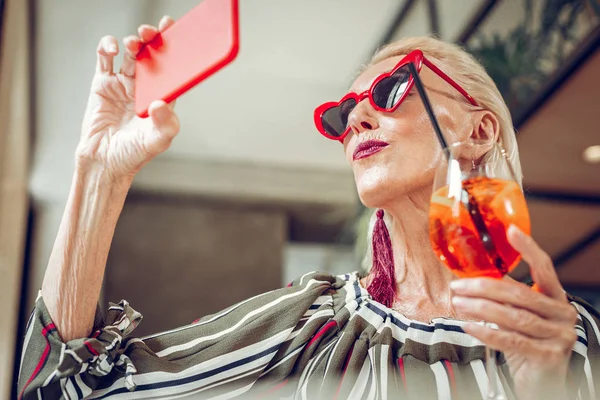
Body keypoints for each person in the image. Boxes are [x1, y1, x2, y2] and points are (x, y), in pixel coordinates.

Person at [17, 16, 600, 400]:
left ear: (479, 130)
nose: (358, 122)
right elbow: (65, 388)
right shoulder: (308, 325)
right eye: (344, 115)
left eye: (391, 90)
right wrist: (99, 171)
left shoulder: (573, 340)